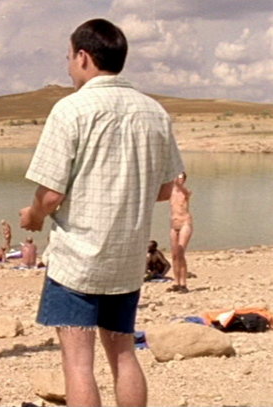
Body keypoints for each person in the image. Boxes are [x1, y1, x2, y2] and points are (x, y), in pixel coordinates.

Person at [19, 19, 183, 407]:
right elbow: (166, 189)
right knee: (123, 353)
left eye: (68, 57)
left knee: (78, 364)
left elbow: (51, 193)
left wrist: (34, 216)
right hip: (127, 258)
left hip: (77, 260)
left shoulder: (71, 109)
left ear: (83, 56)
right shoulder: (154, 111)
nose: (67, 66)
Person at [169, 172, 193, 293]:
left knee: (180, 252)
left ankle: (184, 284)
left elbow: (185, 191)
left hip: (185, 223)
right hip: (174, 225)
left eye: (181, 178)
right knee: (174, 255)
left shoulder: (186, 192)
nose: (179, 180)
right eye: (177, 177)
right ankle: (176, 282)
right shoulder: (170, 192)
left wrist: (178, 184)